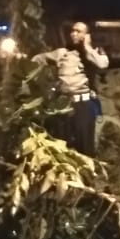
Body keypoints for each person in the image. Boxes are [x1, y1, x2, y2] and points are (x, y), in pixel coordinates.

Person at [34, 21, 110, 156]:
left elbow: (103, 64)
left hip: (83, 104)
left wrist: (87, 46)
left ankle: (88, 173)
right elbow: (40, 58)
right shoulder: (63, 52)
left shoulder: (94, 52)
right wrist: (23, 59)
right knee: (64, 142)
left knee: (85, 144)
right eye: (72, 30)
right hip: (64, 104)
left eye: (78, 31)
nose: (74, 33)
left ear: (87, 35)